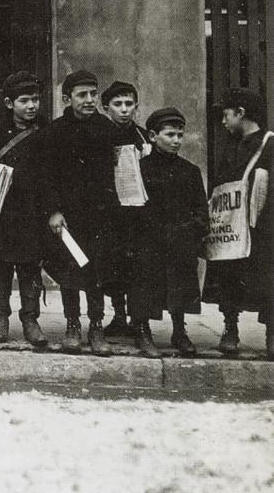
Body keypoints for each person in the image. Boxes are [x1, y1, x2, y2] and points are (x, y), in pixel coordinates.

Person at [39, 70, 116, 356]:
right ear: (66, 98)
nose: (89, 100)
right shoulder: (54, 132)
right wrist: (53, 211)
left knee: (95, 272)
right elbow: (45, 176)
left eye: (93, 94)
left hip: (98, 215)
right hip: (68, 217)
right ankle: (73, 325)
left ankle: (96, 326)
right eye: (81, 95)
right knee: (70, 272)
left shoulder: (107, 130)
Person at [130, 107, 208, 358]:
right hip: (147, 240)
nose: (176, 140)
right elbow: (130, 208)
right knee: (143, 282)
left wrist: (192, 229)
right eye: (170, 135)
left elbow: (200, 209)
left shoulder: (190, 171)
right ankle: (142, 329)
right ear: (153, 136)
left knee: (180, 284)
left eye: (180, 135)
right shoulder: (139, 169)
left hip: (179, 240)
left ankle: (179, 331)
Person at [203, 88, 274, 359]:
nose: (223, 122)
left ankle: (271, 334)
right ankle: (230, 329)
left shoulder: (269, 144)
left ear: (241, 114)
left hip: (263, 228)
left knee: (268, 280)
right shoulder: (231, 145)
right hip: (233, 227)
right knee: (229, 275)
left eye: (226, 115)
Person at [0, 71, 49, 347]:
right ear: (10, 103)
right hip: (1, 208)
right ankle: (0, 317)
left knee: (30, 265)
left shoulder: (46, 131)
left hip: (32, 209)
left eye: (35, 99)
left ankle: (30, 319)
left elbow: (51, 174)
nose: (32, 106)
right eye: (24, 100)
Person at [100, 80, 151, 338]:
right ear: (106, 107)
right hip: (111, 213)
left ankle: (139, 320)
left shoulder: (145, 137)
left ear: (136, 106)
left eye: (128, 104)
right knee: (113, 266)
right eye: (117, 104)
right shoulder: (100, 135)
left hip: (138, 213)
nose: (123, 109)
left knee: (138, 266)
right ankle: (119, 315)